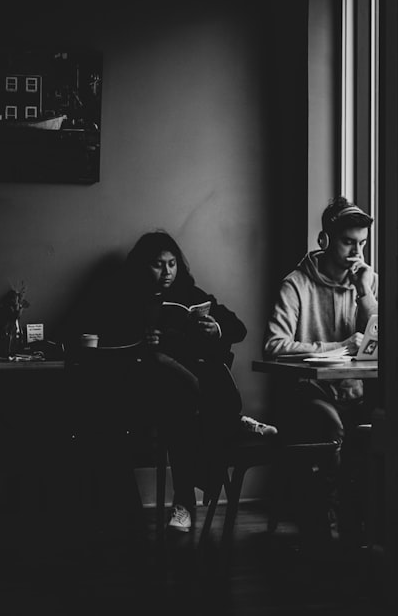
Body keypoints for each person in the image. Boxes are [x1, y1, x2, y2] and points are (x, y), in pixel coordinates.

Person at [88, 230, 250, 533]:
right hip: (138, 393)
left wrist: (214, 328)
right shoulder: (121, 296)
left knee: (179, 406)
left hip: (178, 397)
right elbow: (104, 341)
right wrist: (140, 339)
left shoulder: (189, 294)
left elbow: (237, 328)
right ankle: (229, 416)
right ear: (141, 266)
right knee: (167, 383)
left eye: (172, 264)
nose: (167, 273)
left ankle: (184, 502)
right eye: (158, 265)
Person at [264, 196, 379, 545]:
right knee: (331, 429)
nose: (356, 252)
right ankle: (325, 531)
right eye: (348, 242)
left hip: (355, 392)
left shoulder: (364, 283)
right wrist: (338, 346)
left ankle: (360, 530)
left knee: (385, 428)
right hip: (309, 395)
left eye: (362, 243)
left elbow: (380, 340)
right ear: (325, 240)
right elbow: (274, 345)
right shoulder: (295, 285)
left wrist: (365, 294)